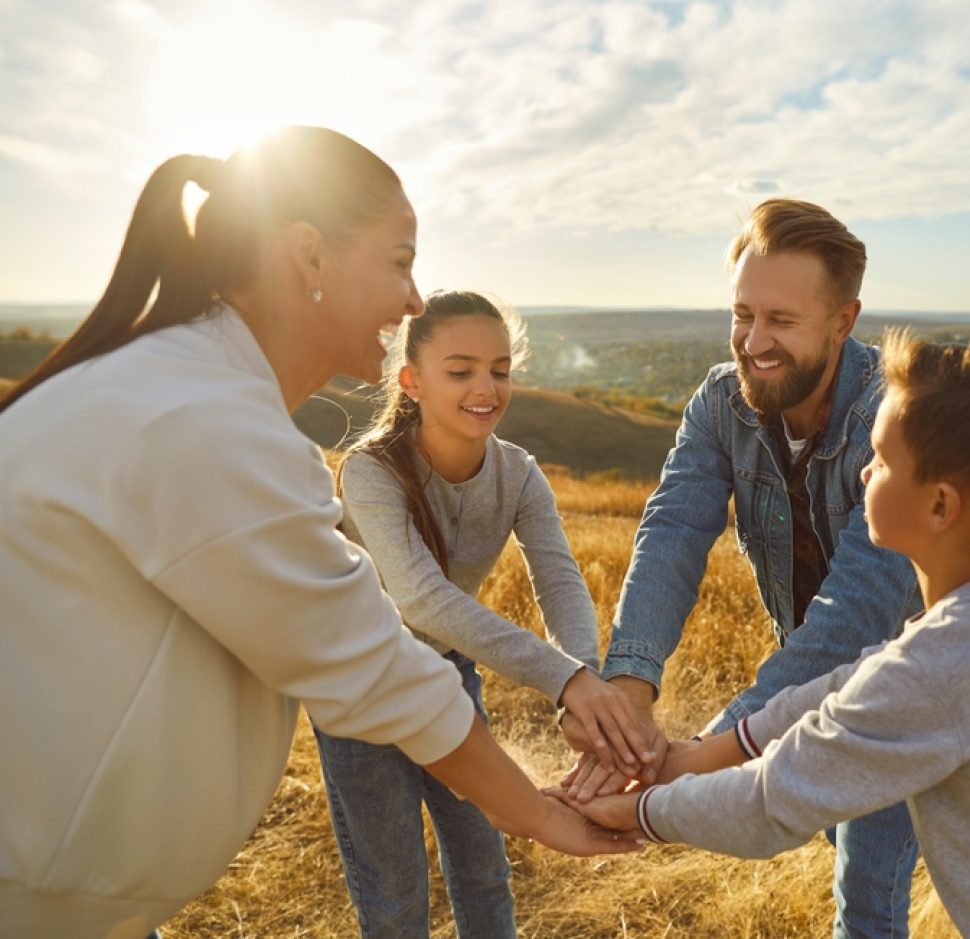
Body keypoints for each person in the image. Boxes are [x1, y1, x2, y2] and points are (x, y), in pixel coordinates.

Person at [0, 127, 637, 939]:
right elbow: (376, 661)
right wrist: (545, 815)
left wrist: (576, 682)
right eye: (400, 260)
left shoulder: (186, 388)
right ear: (309, 259)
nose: (413, 300)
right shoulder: (208, 423)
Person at [561, 331, 970, 938]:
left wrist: (637, 812)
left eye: (883, 461)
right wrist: (708, 752)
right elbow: (861, 676)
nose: (864, 473)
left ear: (940, 507)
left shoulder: (940, 671)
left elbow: (770, 807)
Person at [565, 199, 924, 937]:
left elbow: (857, 612)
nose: (753, 341)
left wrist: (707, 751)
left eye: (781, 321)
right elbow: (673, 530)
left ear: (842, 320)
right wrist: (629, 694)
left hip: (903, 690)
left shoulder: (893, 421)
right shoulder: (721, 402)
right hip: (810, 685)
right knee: (841, 845)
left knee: (869, 892)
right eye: (741, 314)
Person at [316, 290, 650, 937]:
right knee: (394, 893)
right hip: (359, 692)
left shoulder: (519, 473)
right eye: (461, 369)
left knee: (483, 864)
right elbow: (419, 596)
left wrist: (582, 680)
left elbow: (557, 576)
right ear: (411, 381)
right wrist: (562, 677)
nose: (486, 387)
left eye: (499, 369)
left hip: (447, 679)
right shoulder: (369, 471)